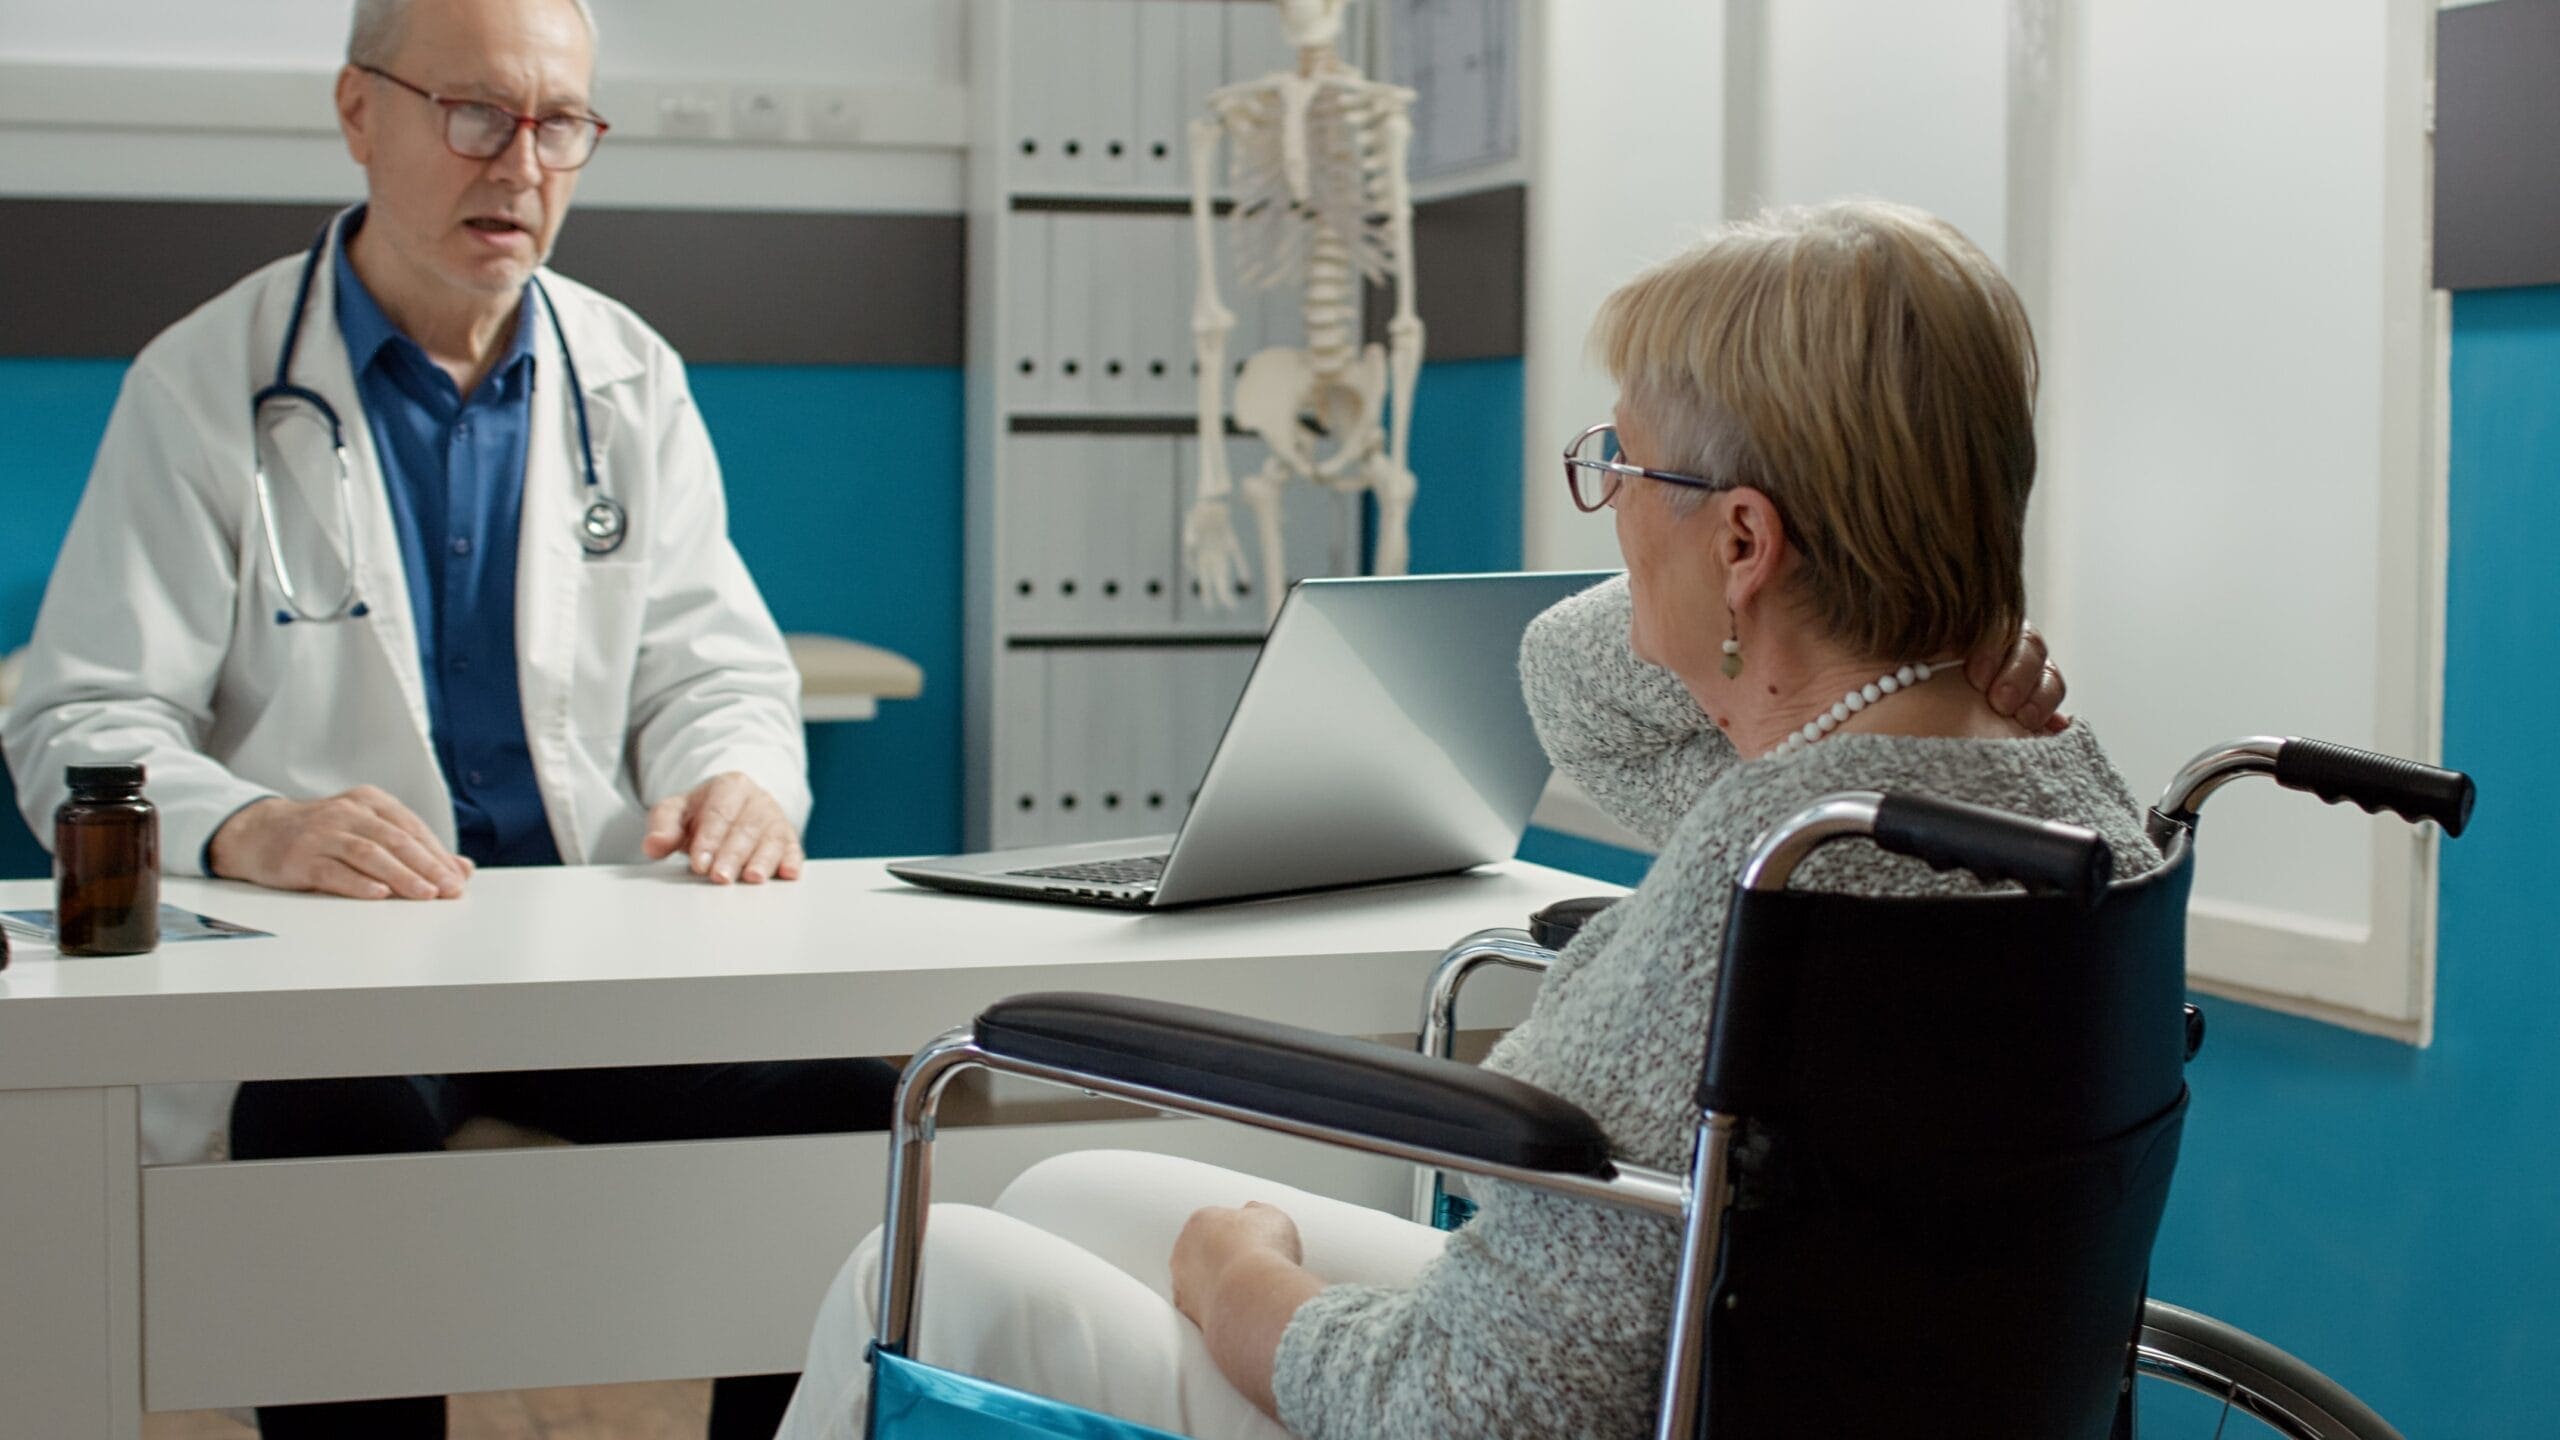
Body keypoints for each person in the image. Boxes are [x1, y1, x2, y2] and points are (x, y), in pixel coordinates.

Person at [773, 198, 2160, 1440]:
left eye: (1627, 465)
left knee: (928, 1270)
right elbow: (1574, 680)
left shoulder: (1755, 890)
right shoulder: (2059, 793)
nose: (1608, 502)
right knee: (1074, 1198)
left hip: (1557, 1399)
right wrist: (1922, 603)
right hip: (1765, 1356)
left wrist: (1243, 1285)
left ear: (1743, 543)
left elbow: (1462, 1410)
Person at [0, 1, 896, 1435]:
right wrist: (254, 825)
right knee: (324, 1122)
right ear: (360, 113)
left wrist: (736, 779)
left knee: (852, 1106)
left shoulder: (630, 375)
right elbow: (86, 716)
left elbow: (714, 672)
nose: (522, 163)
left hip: (589, 945)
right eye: (476, 114)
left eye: (561, 124)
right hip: (345, 975)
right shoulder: (204, 382)